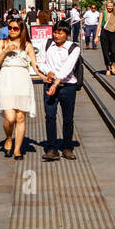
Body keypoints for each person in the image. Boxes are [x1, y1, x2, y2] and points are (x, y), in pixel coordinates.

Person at [0, 18, 40, 160]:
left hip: (22, 80)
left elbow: (35, 66)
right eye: (10, 28)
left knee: (20, 117)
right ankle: (8, 138)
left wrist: (44, 76)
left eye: (15, 28)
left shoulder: (28, 45)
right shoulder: (2, 43)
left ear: (21, 29)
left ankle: (17, 149)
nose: (12, 30)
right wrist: (6, 51)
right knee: (10, 118)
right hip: (7, 79)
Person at [39, 21, 82, 161]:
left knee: (68, 118)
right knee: (50, 116)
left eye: (60, 33)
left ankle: (67, 147)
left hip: (67, 86)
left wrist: (56, 82)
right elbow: (40, 62)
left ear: (67, 34)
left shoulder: (74, 48)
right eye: (55, 32)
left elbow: (67, 68)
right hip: (50, 84)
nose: (56, 35)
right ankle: (52, 148)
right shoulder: (47, 44)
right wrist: (48, 72)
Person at [99, 0, 115, 76]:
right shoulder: (103, 13)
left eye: (111, 6)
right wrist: (96, 36)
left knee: (113, 50)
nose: (110, 8)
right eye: (108, 6)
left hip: (113, 33)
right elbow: (99, 24)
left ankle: (112, 65)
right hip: (104, 33)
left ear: (113, 6)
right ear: (106, 6)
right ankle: (107, 68)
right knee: (105, 51)